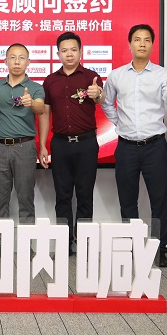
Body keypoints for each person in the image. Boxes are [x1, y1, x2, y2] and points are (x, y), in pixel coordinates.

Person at [101, 24, 167, 267]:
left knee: (159, 201)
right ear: (130, 44)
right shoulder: (117, 75)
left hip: (155, 146)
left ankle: (159, 249)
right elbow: (106, 103)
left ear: (152, 44)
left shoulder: (162, 74)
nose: (142, 43)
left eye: (146, 39)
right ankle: (130, 247)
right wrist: (119, 123)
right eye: (137, 39)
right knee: (127, 200)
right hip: (126, 147)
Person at [38, 32, 105, 254]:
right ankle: (65, 243)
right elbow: (45, 114)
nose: (69, 54)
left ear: (80, 52)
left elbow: (100, 98)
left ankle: (84, 243)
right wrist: (43, 144)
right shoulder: (50, 80)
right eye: (64, 50)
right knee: (62, 196)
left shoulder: (91, 77)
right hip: (60, 144)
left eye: (73, 50)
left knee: (85, 195)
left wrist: (98, 94)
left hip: (86, 144)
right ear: (58, 53)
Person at [0, 43, 44, 224]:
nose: (17, 62)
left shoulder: (35, 87)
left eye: (21, 58)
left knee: (26, 199)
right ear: (5, 61)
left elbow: (40, 109)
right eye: (13, 58)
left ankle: (27, 241)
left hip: (25, 147)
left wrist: (31, 102)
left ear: (28, 62)